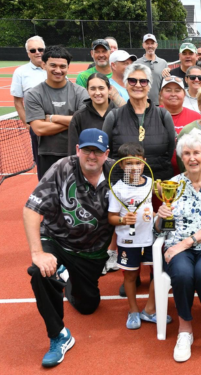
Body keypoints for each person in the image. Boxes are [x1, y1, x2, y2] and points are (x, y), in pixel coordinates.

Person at [25, 128, 114, 367]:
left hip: (91, 253)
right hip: (57, 240)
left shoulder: (118, 172)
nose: (91, 156)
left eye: (97, 151)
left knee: (88, 306)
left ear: (107, 153)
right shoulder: (61, 168)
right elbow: (31, 209)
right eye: (87, 150)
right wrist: (38, 253)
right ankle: (59, 336)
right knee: (39, 271)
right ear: (78, 150)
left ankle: (67, 279)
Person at [155, 129, 201, 366]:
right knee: (183, 273)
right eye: (186, 153)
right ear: (181, 157)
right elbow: (161, 229)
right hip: (178, 245)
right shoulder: (173, 185)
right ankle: (185, 330)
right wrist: (160, 216)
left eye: (196, 152)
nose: (192, 158)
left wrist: (185, 244)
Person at [107, 142, 171, 329]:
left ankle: (149, 310)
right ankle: (133, 310)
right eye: (129, 164)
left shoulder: (151, 183)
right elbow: (111, 218)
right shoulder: (117, 189)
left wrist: (168, 195)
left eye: (138, 163)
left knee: (157, 273)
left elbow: (165, 196)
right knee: (130, 277)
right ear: (121, 165)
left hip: (150, 239)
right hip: (128, 241)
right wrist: (122, 220)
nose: (134, 167)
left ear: (144, 163)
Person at [102, 63, 176, 183]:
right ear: (125, 84)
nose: (137, 85)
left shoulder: (163, 115)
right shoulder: (113, 116)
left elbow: (170, 149)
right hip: (124, 186)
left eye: (143, 81)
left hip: (159, 184)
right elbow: (107, 153)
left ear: (149, 86)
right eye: (132, 81)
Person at [25, 46, 89, 179]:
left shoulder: (80, 92)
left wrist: (52, 118)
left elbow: (85, 121)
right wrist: (73, 121)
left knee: (76, 195)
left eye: (62, 66)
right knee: (50, 197)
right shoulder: (33, 94)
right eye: (53, 65)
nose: (58, 70)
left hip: (76, 153)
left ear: (68, 67)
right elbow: (39, 129)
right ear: (44, 65)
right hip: (47, 155)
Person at [10, 35, 47, 171]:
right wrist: (27, 124)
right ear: (28, 54)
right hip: (37, 127)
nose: (37, 52)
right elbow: (18, 101)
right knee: (42, 165)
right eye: (33, 50)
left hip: (58, 124)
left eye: (40, 49)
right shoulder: (20, 72)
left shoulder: (55, 68)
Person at [158, 76, 201, 175]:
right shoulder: (151, 115)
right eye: (168, 90)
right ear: (161, 94)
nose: (173, 94)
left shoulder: (197, 118)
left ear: (184, 94)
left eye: (177, 90)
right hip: (159, 175)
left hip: (189, 175)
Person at [68, 73, 118, 155]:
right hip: (89, 165)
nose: (97, 93)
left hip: (114, 166)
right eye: (93, 89)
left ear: (109, 89)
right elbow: (73, 151)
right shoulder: (79, 117)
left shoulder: (120, 114)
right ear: (87, 90)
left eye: (101, 88)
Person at [135, 34, 168, 106]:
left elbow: (166, 83)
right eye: (147, 43)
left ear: (156, 45)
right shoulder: (136, 63)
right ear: (143, 45)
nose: (150, 46)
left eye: (152, 43)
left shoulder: (163, 63)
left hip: (159, 104)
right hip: (141, 104)